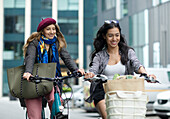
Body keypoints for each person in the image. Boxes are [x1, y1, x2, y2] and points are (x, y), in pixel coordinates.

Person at [84, 20, 156, 119]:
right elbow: (93, 69)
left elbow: (137, 64)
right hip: (103, 92)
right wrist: (90, 75)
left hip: (125, 91)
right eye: (110, 36)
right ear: (104, 36)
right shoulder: (99, 56)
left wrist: (146, 74)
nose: (114, 39)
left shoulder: (128, 52)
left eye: (117, 35)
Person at [23, 18, 85, 119]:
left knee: (55, 102)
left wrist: (75, 70)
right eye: (48, 29)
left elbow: (67, 57)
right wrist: (28, 72)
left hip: (51, 80)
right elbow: (30, 58)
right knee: (35, 116)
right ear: (42, 30)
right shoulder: (34, 43)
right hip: (34, 80)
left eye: (54, 29)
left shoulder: (56, 43)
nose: (52, 32)